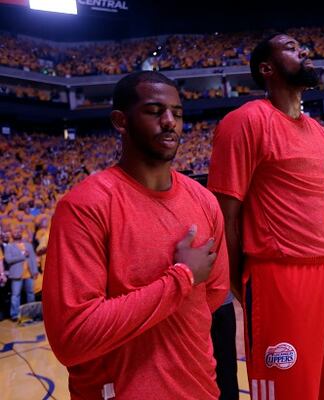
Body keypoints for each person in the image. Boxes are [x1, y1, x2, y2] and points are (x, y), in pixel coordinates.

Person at [43, 71, 229, 399]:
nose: (170, 122)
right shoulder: (84, 207)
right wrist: (180, 279)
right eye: (155, 112)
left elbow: (213, 294)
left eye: (178, 113)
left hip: (199, 388)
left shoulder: (204, 201)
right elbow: (72, 339)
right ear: (121, 121)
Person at [208, 34, 324, 400]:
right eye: (291, 47)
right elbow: (225, 213)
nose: (304, 50)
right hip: (279, 275)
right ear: (266, 68)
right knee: (289, 391)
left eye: (302, 46)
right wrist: (242, 281)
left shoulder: (320, 132)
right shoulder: (244, 122)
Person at [4, 226, 38, 321]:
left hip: (29, 274)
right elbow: (8, 260)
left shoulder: (28, 245)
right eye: (15, 232)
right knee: (15, 295)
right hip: (16, 274)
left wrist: (35, 271)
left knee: (30, 294)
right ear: (12, 234)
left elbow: (32, 259)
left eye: (19, 232)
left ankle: (31, 314)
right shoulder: (9, 247)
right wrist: (22, 255)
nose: (17, 233)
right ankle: (15, 315)